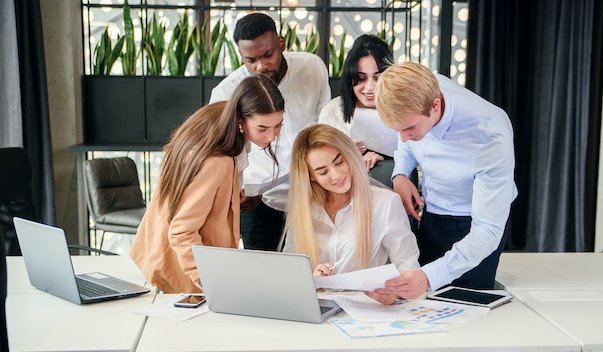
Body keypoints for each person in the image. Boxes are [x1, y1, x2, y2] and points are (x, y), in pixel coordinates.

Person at [370, 62, 517, 302]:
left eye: (409, 128)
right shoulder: (420, 89)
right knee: (420, 307)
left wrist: (428, 277)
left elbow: (487, 231)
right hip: (430, 216)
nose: (403, 138)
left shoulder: (490, 133)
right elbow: (405, 143)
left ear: (435, 106)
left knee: (467, 309)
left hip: (473, 227)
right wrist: (400, 174)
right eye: (397, 130)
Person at [130, 74, 284, 294]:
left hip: (162, 258)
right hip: (186, 276)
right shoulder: (217, 161)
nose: (272, 137)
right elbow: (182, 232)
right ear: (241, 120)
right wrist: (209, 282)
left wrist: (237, 197)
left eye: (278, 125)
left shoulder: (217, 122)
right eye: (262, 128)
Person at [209, 12, 331, 251]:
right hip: (256, 203)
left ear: (282, 43)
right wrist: (237, 191)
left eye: (268, 54)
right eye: (250, 60)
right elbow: (219, 154)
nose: (261, 66)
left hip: (308, 192)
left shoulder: (312, 67)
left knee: (310, 269)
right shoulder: (226, 93)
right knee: (261, 275)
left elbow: (323, 126)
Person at [282, 124, 421, 305]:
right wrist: (310, 280)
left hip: (365, 309)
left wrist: (395, 292)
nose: (337, 175)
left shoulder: (385, 203)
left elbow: (409, 268)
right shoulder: (304, 210)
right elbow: (288, 272)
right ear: (310, 176)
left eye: (339, 162)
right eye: (323, 171)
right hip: (316, 308)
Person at [319, 34, 400, 188]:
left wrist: (384, 159)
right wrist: (346, 155)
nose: (370, 87)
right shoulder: (333, 112)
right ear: (350, 78)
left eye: (377, 78)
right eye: (361, 78)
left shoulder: (401, 109)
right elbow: (320, 165)